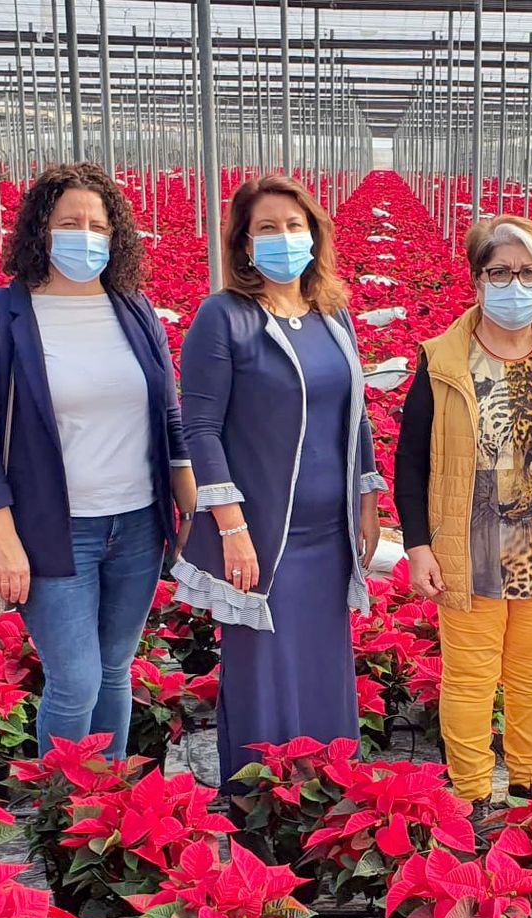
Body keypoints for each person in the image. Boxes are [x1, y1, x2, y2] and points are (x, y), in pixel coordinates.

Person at [0, 162, 196, 761]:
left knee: (115, 670)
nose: (85, 235)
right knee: (76, 679)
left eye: (97, 224)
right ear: (41, 230)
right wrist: (3, 539)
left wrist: (193, 512)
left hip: (138, 524)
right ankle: (63, 807)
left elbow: (169, 417)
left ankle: (108, 801)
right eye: (69, 223)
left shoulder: (134, 311)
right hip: (52, 531)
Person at [173, 174, 385, 792]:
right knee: (263, 671)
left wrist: (368, 499)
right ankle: (263, 804)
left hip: (329, 533)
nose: (283, 238)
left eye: (295, 226)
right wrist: (231, 528)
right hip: (265, 535)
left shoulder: (331, 312)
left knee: (323, 667)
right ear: (243, 242)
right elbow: (201, 428)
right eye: (267, 227)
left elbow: (356, 412)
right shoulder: (224, 318)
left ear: (316, 236)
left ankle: (325, 795)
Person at [394, 215, 532, 807]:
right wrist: (418, 546)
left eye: (529, 273)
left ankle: (528, 788)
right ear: (477, 280)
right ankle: (469, 796)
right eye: (501, 272)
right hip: (469, 551)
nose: (515, 285)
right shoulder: (441, 359)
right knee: (468, 679)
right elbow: (411, 459)